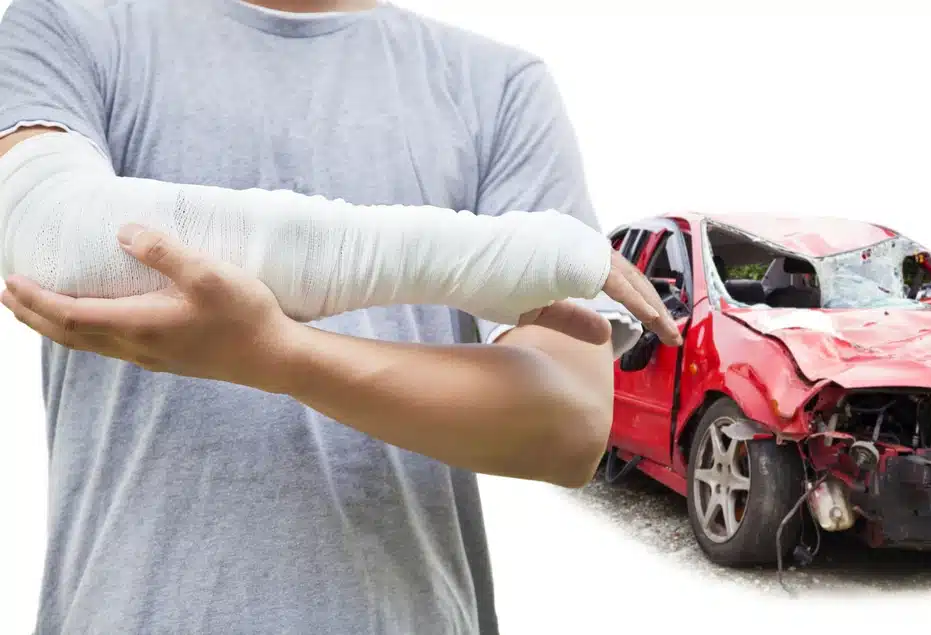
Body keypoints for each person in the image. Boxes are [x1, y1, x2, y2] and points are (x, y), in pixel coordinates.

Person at [0, 1, 681, 633]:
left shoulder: (500, 87)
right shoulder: (62, 25)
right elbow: (56, 235)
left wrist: (278, 356)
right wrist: (491, 257)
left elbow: (571, 427)